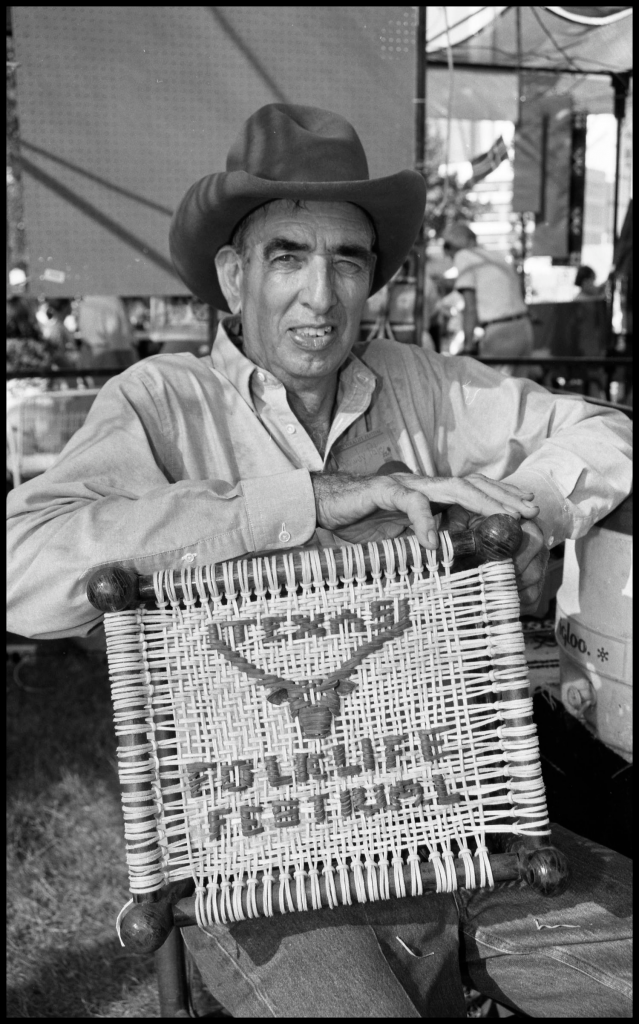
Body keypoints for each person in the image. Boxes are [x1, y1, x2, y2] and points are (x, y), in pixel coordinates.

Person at [6, 104, 632, 1017]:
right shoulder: (164, 402)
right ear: (233, 275)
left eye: (347, 259)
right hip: (258, 872)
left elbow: (606, 429)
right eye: (287, 256)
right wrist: (301, 500)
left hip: (454, 826)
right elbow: (21, 569)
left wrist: (518, 514)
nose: (321, 294)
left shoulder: (422, 384)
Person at [442, 222, 534, 376]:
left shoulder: (464, 256)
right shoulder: (496, 255)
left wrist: (468, 346)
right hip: (524, 327)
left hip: (500, 334)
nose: (451, 259)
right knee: (520, 387)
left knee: (492, 387)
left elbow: (470, 307)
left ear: (452, 246)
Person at [76, 294, 137, 384]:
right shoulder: (113, 301)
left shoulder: (86, 301)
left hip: (90, 354)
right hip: (107, 357)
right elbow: (118, 338)